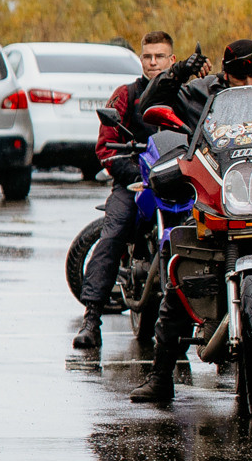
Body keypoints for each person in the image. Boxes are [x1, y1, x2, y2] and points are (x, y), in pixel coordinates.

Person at [129, 36, 252, 404]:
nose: (248, 84)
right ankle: (161, 375)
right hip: (222, 204)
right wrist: (176, 73)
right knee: (179, 256)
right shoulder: (205, 94)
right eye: (238, 77)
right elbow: (149, 105)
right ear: (225, 76)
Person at [74, 31, 178, 350]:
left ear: (172, 59)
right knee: (114, 231)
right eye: (148, 56)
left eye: (160, 56)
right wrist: (137, 173)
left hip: (179, 183)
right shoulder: (126, 95)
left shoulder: (186, 94)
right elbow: (106, 148)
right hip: (134, 183)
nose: (153, 62)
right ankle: (92, 319)